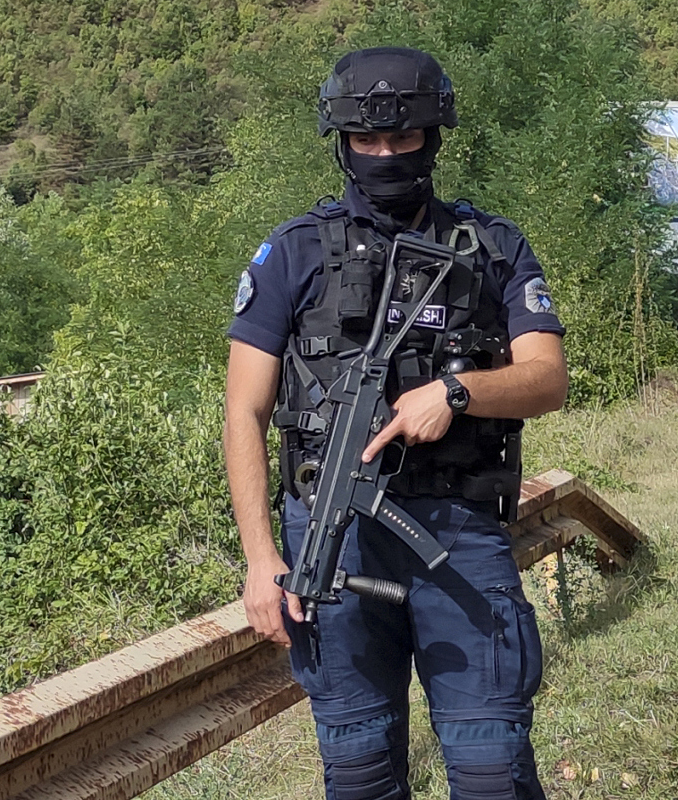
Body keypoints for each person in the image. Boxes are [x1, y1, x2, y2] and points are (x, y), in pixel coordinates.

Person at [223, 46, 567, 800]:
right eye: (367, 141)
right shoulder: (292, 254)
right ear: (342, 142)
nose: (384, 155)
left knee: (491, 769)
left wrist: (458, 394)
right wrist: (258, 560)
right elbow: (243, 410)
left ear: (433, 137)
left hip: (459, 535)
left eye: (403, 139)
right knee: (359, 768)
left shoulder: (493, 247)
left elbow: (547, 379)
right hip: (330, 534)